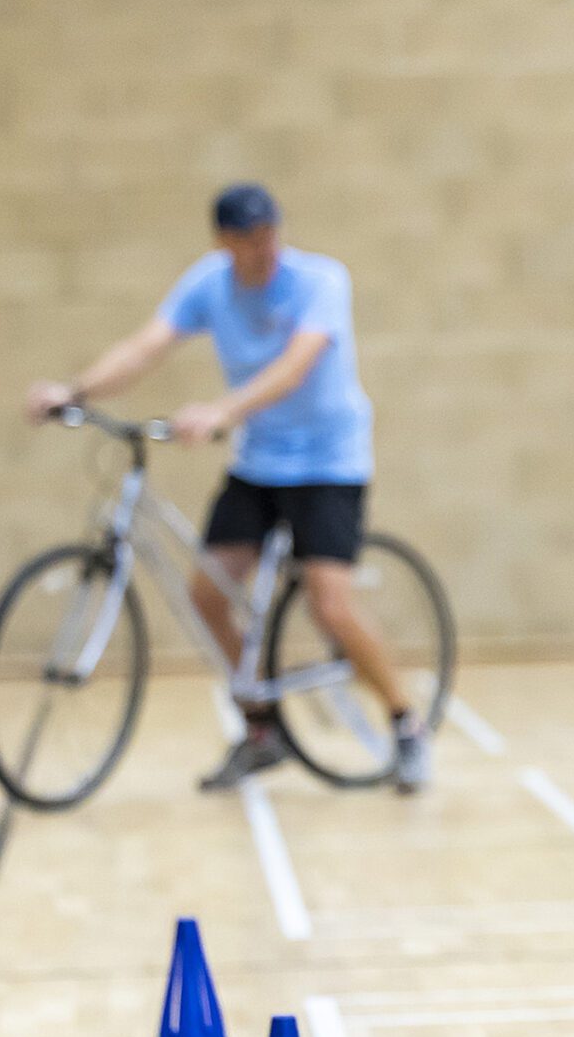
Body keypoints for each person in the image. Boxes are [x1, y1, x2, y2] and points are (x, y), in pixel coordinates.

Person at [23, 184, 431, 792]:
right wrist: (74, 392)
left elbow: (296, 367)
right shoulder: (208, 284)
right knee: (208, 594)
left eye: (269, 234)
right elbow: (146, 347)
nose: (263, 248)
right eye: (248, 238)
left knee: (330, 602)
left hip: (328, 463)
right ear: (223, 243)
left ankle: (405, 723)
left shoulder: (321, 282)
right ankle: (262, 730)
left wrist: (222, 411)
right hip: (259, 464)